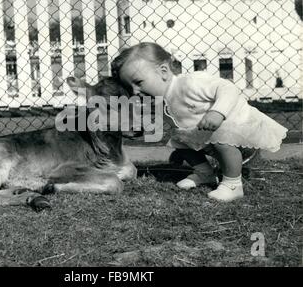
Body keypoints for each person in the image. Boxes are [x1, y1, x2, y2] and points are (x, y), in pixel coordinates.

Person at [111, 42, 287, 202]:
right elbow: (178, 125)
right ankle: (204, 173)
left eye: (139, 82)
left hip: (241, 133)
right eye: (130, 87)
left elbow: (228, 88)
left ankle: (232, 184)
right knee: (177, 137)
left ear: (163, 72)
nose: (135, 91)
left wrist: (217, 112)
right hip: (209, 136)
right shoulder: (161, 100)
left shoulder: (190, 82)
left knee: (221, 133)